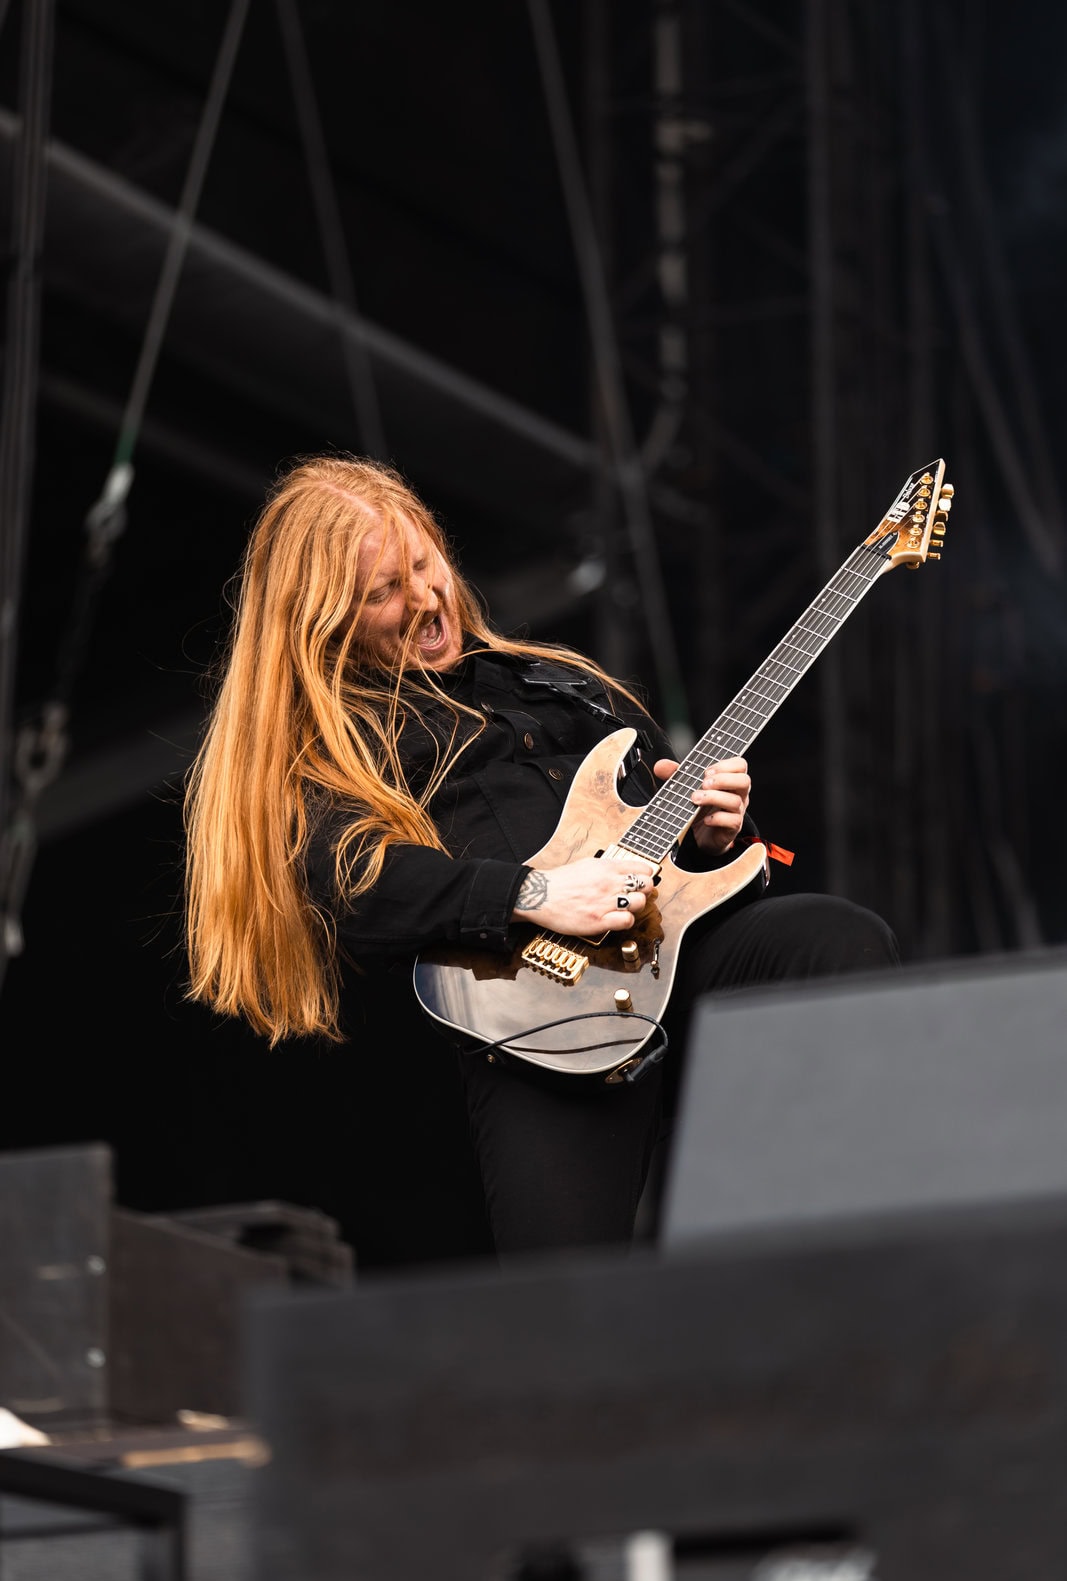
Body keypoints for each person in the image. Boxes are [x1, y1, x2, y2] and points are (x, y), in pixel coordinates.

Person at [183, 454, 899, 1273]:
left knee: (830, 936)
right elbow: (350, 884)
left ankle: (837, 1253)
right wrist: (533, 893)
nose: (425, 599)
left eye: (423, 564)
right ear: (325, 621)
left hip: (669, 956)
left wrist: (714, 838)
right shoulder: (331, 746)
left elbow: (688, 848)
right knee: (567, 1304)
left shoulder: (562, 685)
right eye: (384, 591)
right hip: (531, 1024)